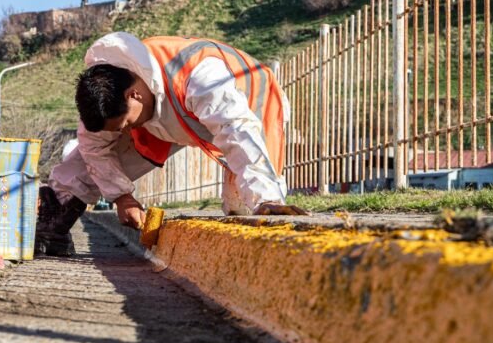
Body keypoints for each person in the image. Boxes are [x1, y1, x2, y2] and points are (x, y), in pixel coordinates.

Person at [36, 32, 306, 256]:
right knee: (91, 156)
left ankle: (264, 198)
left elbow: (236, 130)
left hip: (250, 108)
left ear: (134, 95)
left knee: (244, 210)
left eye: (126, 124)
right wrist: (121, 197)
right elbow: (94, 148)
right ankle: (53, 224)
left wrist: (265, 197)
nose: (126, 132)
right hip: (169, 115)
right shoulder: (106, 93)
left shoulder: (202, 78)